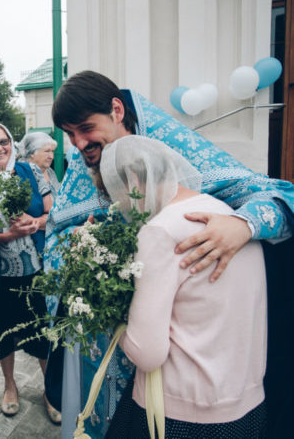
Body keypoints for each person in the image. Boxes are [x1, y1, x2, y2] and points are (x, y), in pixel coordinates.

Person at [46, 70, 294, 438]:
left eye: (85, 127)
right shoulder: (81, 170)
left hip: (185, 376)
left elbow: (280, 195)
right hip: (105, 349)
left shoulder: (175, 151)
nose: (79, 144)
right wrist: (77, 247)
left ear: (116, 109)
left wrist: (242, 225)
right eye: (70, 134)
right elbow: (55, 237)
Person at [100, 136, 267, 438]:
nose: (119, 205)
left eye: (116, 193)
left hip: (183, 413)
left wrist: (110, 317)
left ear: (135, 179)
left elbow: (147, 352)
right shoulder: (229, 216)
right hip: (248, 405)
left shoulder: (160, 231)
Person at [0, 122, 61, 424]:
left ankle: (51, 391)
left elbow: (55, 215)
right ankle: (10, 386)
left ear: (11, 143)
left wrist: (33, 223)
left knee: (41, 331)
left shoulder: (32, 173)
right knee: (3, 333)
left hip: (35, 269)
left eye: (3, 142)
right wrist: (9, 235)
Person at [16, 131, 61, 197]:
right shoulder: (22, 174)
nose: (51, 157)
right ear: (32, 153)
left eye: (52, 151)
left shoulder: (49, 172)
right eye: (47, 151)